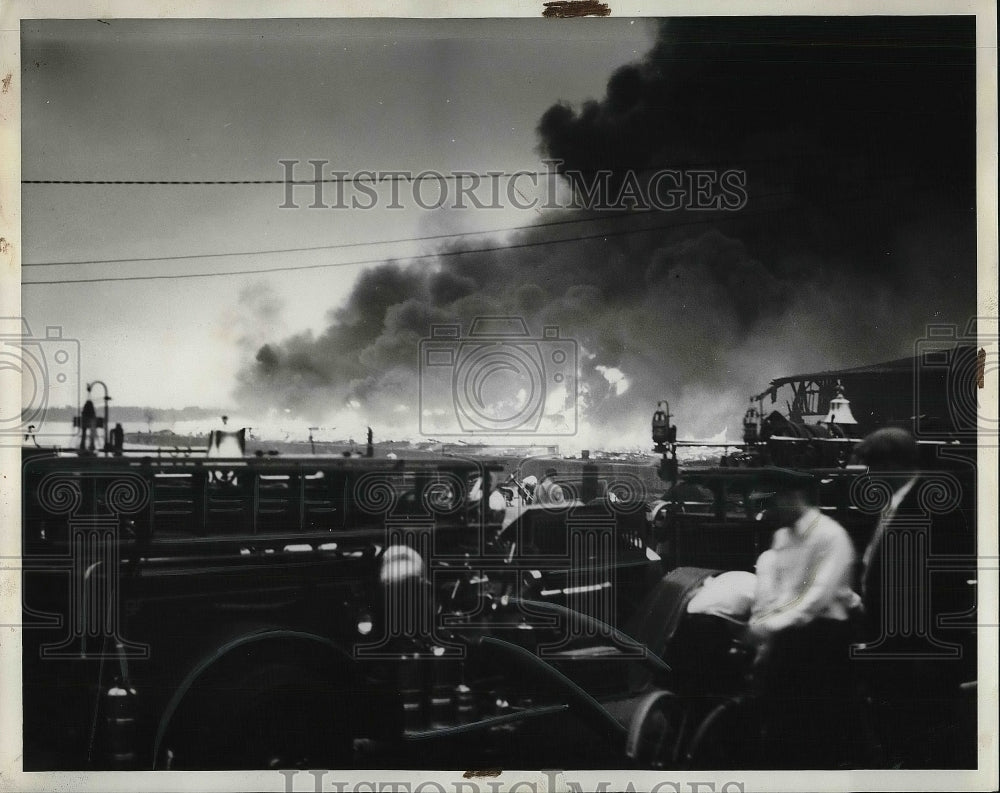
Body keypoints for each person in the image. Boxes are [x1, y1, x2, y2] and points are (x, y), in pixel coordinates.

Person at [850, 427, 976, 768]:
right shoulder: (900, 502)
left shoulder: (935, 506)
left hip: (921, 652)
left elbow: (946, 586)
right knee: (904, 734)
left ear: (893, 464)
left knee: (926, 738)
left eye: (873, 467)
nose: (870, 476)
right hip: (896, 647)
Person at [746, 472, 861, 767]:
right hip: (791, 636)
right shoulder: (782, 537)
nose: (767, 512)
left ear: (792, 497)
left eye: (771, 503)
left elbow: (817, 599)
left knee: (819, 729)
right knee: (778, 723)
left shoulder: (830, 536)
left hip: (824, 639)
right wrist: (766, 636)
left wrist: (770, 628)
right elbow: (777, 592)